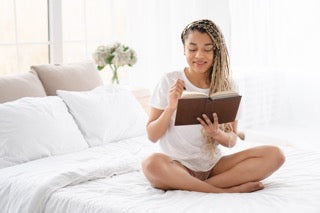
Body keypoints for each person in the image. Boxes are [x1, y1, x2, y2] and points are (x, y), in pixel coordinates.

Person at [142, 19, 285, 193]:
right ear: (184, 50)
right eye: (192, 49)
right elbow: (152, 135)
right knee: (151, 164)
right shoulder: (169, 80)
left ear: (216, 51)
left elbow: (232, 140)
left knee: (275, 155)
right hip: (177, 167)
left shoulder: (228, 85)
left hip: (213, 166)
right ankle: (224, 190)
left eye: (207, 49)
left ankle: (200, 186)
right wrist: (170, 107)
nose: (199, 56)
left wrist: (216, 134)